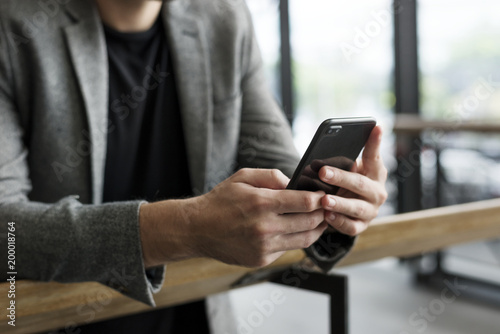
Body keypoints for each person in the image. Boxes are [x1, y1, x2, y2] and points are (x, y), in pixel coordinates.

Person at [0, 0, 388, 332]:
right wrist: (187, 228)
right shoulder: (14, 25)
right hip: (51, 318)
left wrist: (336, 197)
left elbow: (281, 172)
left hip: (198, 318)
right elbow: (6, 229)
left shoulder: (223, 18)